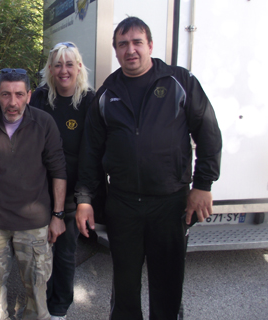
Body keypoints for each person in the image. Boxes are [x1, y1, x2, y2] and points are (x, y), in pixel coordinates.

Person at [75, 17, 222, 320]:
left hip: (170, 204)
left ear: (150, 45)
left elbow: (208, 132)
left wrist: (203, 185)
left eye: (137, 42)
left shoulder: (180, 82)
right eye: (123, 44)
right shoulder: (107, 93)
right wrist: (85, 199)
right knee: (125, 286)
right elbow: (90, 153)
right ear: (115, 51)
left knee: (168, 285)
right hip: (124, 205)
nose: (131, 50)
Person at [0, 69, 67, 320]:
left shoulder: (44, 123)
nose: (13, 102)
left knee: (37, 294)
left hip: (34, 222)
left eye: (19, 94)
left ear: (29, 95)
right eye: (6, 94)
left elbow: (58, 171)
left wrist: (58, 215)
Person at [29, 42, 94, 320]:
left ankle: (59, 309)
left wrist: (84, 199)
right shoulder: (40, 98)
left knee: (65, 253)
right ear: (50, 69)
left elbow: (93, 153)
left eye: (69, 64)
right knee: (39, 252)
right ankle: (40, 303)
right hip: (39, 191)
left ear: (78, 67)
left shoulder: (90, 101)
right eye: (58, 65)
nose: (63, 70)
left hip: (71, 192)